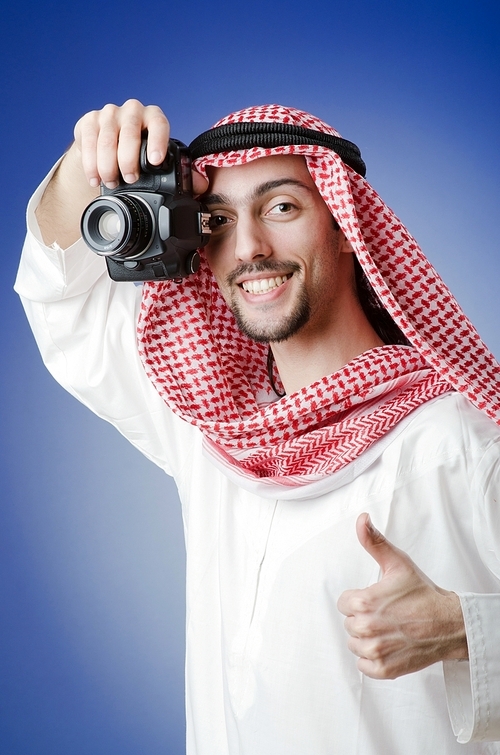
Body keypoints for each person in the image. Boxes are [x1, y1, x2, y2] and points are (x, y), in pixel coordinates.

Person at [15, 99, 500, 754]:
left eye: (282, 207)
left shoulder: (457, 443)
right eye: (219, 220)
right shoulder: (214, 432)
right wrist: (86, 164)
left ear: (347, 225)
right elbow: (59, 295)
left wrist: (466, 629)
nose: (249, 248)